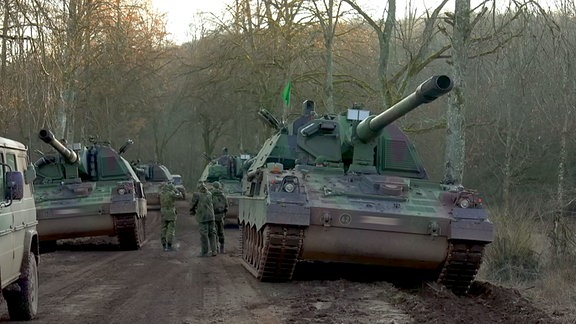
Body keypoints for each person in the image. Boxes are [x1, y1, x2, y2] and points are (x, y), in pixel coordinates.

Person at [190, 182, 218, 257]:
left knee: (204, 235)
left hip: (203, 217)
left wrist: (192, 211)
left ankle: (204, 252)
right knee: (212, 233)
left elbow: (192, 205)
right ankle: (214, 250)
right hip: (211, 216)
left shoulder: (197, 195)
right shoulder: (209, 194)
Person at [159, 181, 182, 251]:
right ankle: (169, 245)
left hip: (163, 212)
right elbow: (180, 196)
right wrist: (176, 190)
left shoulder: (161, 194)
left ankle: (163, 245)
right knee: (171, 229)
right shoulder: (171, 194)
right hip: (170, 212)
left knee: (163, 229)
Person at [210, 181, 228, 253]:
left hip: (213, 215)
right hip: (221, 216)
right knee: (221, 232)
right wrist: (223, 214)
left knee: (214, 232)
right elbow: (226, 206)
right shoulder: (223, 195)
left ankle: (215, 248)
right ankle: (222, 248)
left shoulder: (210, 195)